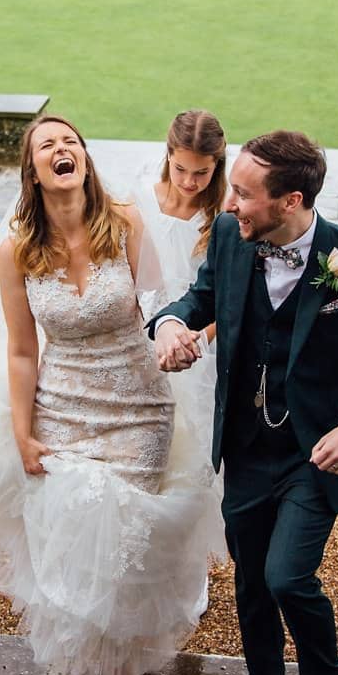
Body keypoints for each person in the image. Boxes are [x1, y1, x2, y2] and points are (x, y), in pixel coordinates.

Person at [0, 116, 223, 675]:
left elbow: (161, 309)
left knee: (126, 539)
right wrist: (23, 433)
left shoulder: (126, 221)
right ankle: (92, 646)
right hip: (63, 406)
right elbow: (22, 349)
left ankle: (122, 658)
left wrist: (174, 338)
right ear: (32, 171)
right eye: (47, 145)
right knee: (75, 533)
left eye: (71, 141)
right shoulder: (17, 250)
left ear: (84, 157)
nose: (63, 149)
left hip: (140, 404)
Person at [151, 130, 338, 675]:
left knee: (287, 577)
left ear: (291, 199)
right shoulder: (229, 237)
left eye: (243, 193)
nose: (229, 204)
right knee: (250, 580)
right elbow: (202, 298)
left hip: (312, 452)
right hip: (245, 445)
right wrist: (169, 326)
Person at [131, 111, 228, 493]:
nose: (189, 182)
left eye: (201, 173)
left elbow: (230, 296)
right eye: (180, 169)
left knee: (190, 449)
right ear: (167, 155)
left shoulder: (224, 215)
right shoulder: (136, 199)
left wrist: (199, 340)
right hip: (137, 331)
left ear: (216, 166)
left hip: (197, 342)